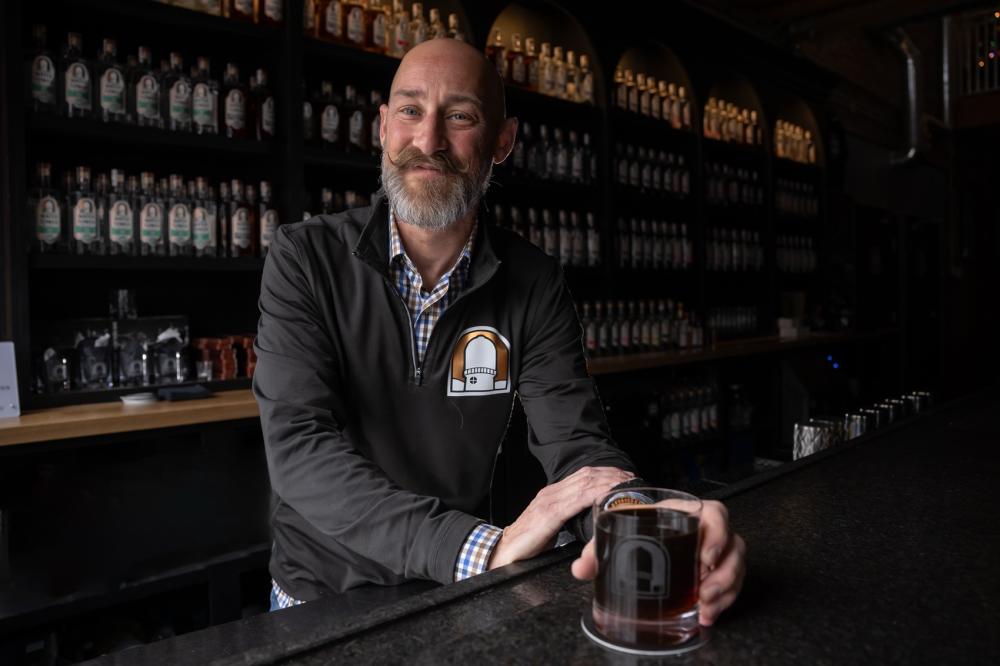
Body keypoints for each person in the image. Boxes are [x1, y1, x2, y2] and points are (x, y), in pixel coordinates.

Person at [254, 38, 745, 625]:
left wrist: (640, 521)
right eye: (410, 111)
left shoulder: (533, 281)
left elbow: (579, 450)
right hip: (322, 594)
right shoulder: (304, 257)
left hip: (454, 591)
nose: (429, 141)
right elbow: (300, 447)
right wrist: (477, 549)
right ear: (383, 128)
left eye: (460, 117)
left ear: (502, 142)